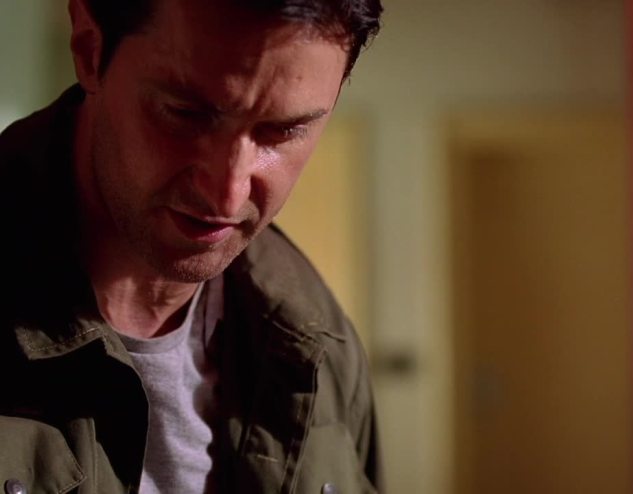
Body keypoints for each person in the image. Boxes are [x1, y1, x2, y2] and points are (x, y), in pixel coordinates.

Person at [0, 0, 383, 492]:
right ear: (90, 48)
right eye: (187, 114)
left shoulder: (320, 343)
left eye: (283, 131)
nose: (228, 194)